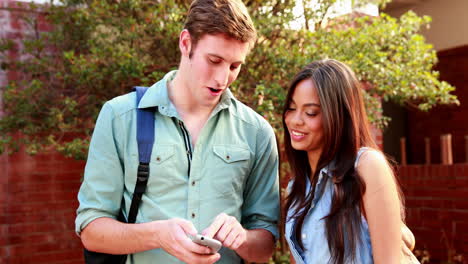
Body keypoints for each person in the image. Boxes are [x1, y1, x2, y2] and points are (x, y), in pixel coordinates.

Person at [75, 0, 280, 263]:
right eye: (214, 60)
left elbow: (264, 248)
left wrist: (242, 237)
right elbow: (91, 230)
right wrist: (157, 235)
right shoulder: (119, 117)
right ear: (186, 43)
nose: (222, 78)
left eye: (234, 66)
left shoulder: (257, 132)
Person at [283, 59, 412, 263]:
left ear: (338, 116)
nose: (295, 120)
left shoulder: (367, 166)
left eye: (310, 112)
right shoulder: (296, 189)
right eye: (291, 108)